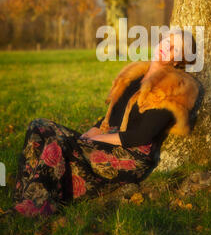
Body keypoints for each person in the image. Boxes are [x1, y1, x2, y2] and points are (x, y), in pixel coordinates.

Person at [5, 29, 200, 218]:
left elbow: (142, 135)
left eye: (175, 48)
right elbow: (113, 116)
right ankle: (24, 195)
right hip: (109, 138)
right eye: (167, 41)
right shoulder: (135, 76)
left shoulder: (174, 87)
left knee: (58, 144)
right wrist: (89, 133)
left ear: (177, 60)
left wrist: (96, 138)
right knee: (39, 126)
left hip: (131, 153)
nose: (167, 47)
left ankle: (39, 207)